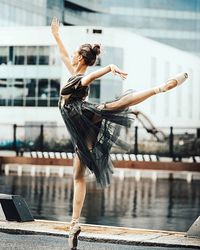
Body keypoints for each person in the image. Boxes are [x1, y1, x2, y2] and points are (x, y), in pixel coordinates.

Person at [51, 17, 188, 250]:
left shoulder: (80, 79)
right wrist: (56, 36)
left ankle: (159, 88)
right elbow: (65, 56)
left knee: (113, 107)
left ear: (82, 58)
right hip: (80, 131)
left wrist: (109, 68)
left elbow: (89, 77)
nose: (71, 55)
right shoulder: (73, 72)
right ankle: (74, 224)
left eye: (76, 53)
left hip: (84, 117)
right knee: (78, 175)